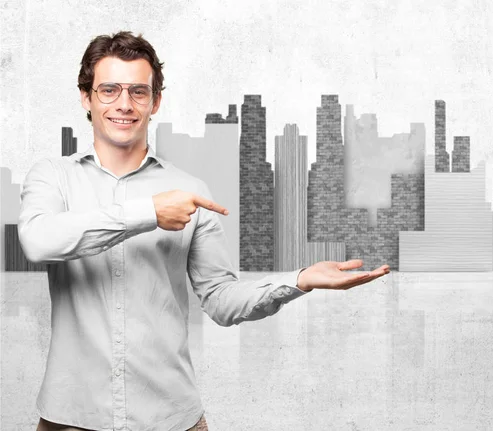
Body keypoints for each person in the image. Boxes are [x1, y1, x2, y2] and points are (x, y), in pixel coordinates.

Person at [18, 31, 390, 431]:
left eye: (138, 92)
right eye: (108, 90)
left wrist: (299, 280)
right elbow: (39, 242)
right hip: (72, 418)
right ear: (85, 97)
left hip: (170, 418)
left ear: (155, 101)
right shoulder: (52, 176)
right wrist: (149, 213)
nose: (124, 104)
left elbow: (221, 300)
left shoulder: (191, 192)